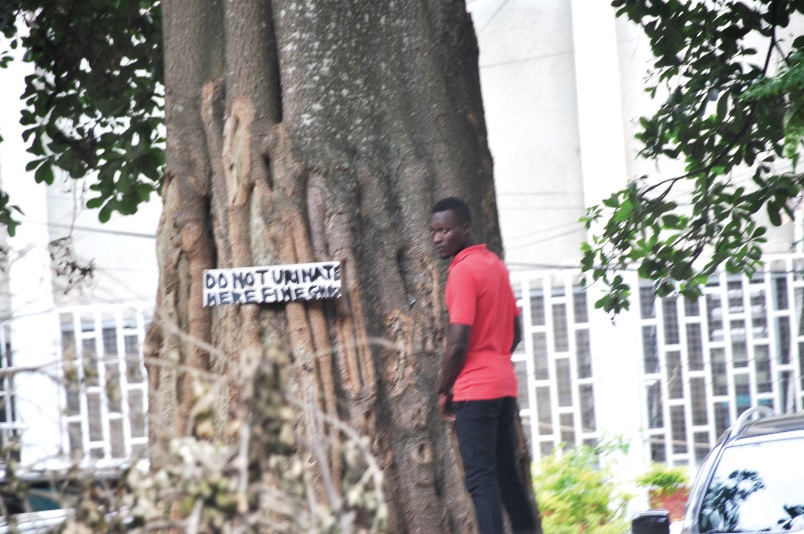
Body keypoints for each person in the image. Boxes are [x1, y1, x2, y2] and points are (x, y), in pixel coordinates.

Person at [430, 197, 539, 534]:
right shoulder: (495, 265)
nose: (437, 238)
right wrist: (494, 359)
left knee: (481, 479)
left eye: (445, 230)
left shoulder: (462, 271)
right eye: (434, 231)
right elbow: (516, 331)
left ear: (465, 228)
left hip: (474, 392)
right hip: (503, 386)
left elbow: (458, 341)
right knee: (508, 476)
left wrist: (444, 389)